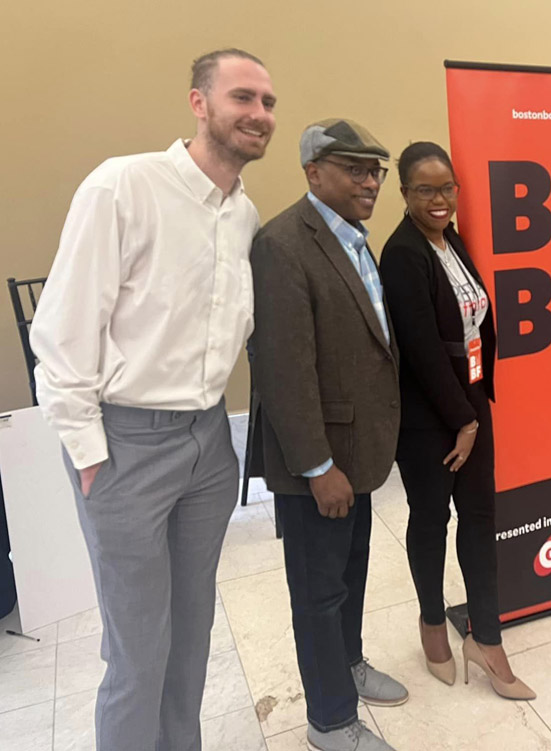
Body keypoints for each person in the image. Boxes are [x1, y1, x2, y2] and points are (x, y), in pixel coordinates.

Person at [29, 48, 276, 750]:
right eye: (243, 98)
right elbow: (63, 330)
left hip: (206, 447)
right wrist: (86, 450)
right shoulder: (124, 187)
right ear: (199, 104)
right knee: (137, 652)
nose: (259, 114)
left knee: (191, 636)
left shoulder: (244, 214)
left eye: (268, 103)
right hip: (125, 449)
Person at [249, 118, 407, 751]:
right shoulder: (284, 244)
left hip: (359, 451)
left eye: (377, 170)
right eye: (355, 169)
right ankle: (330, 720)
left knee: (353, 570)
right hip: (321, 462)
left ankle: (349, 662)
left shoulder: (353, 238)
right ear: (314, 172)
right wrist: (317, 467)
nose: (370, 181)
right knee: (317, 590)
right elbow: (283, 371)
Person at [379, 141, 534, 700]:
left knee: (480, 517)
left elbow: (473, 324)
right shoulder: (401, 254)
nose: (440, 198)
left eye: (448, 187)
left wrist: (476, 409)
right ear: (405, 194)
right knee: (430, 519)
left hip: (470, 403)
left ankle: (487, 637)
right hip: (428, 418)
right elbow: (419, 349)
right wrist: (462, 421)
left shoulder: (451, 241)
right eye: (426, 189)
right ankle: (429, 620)